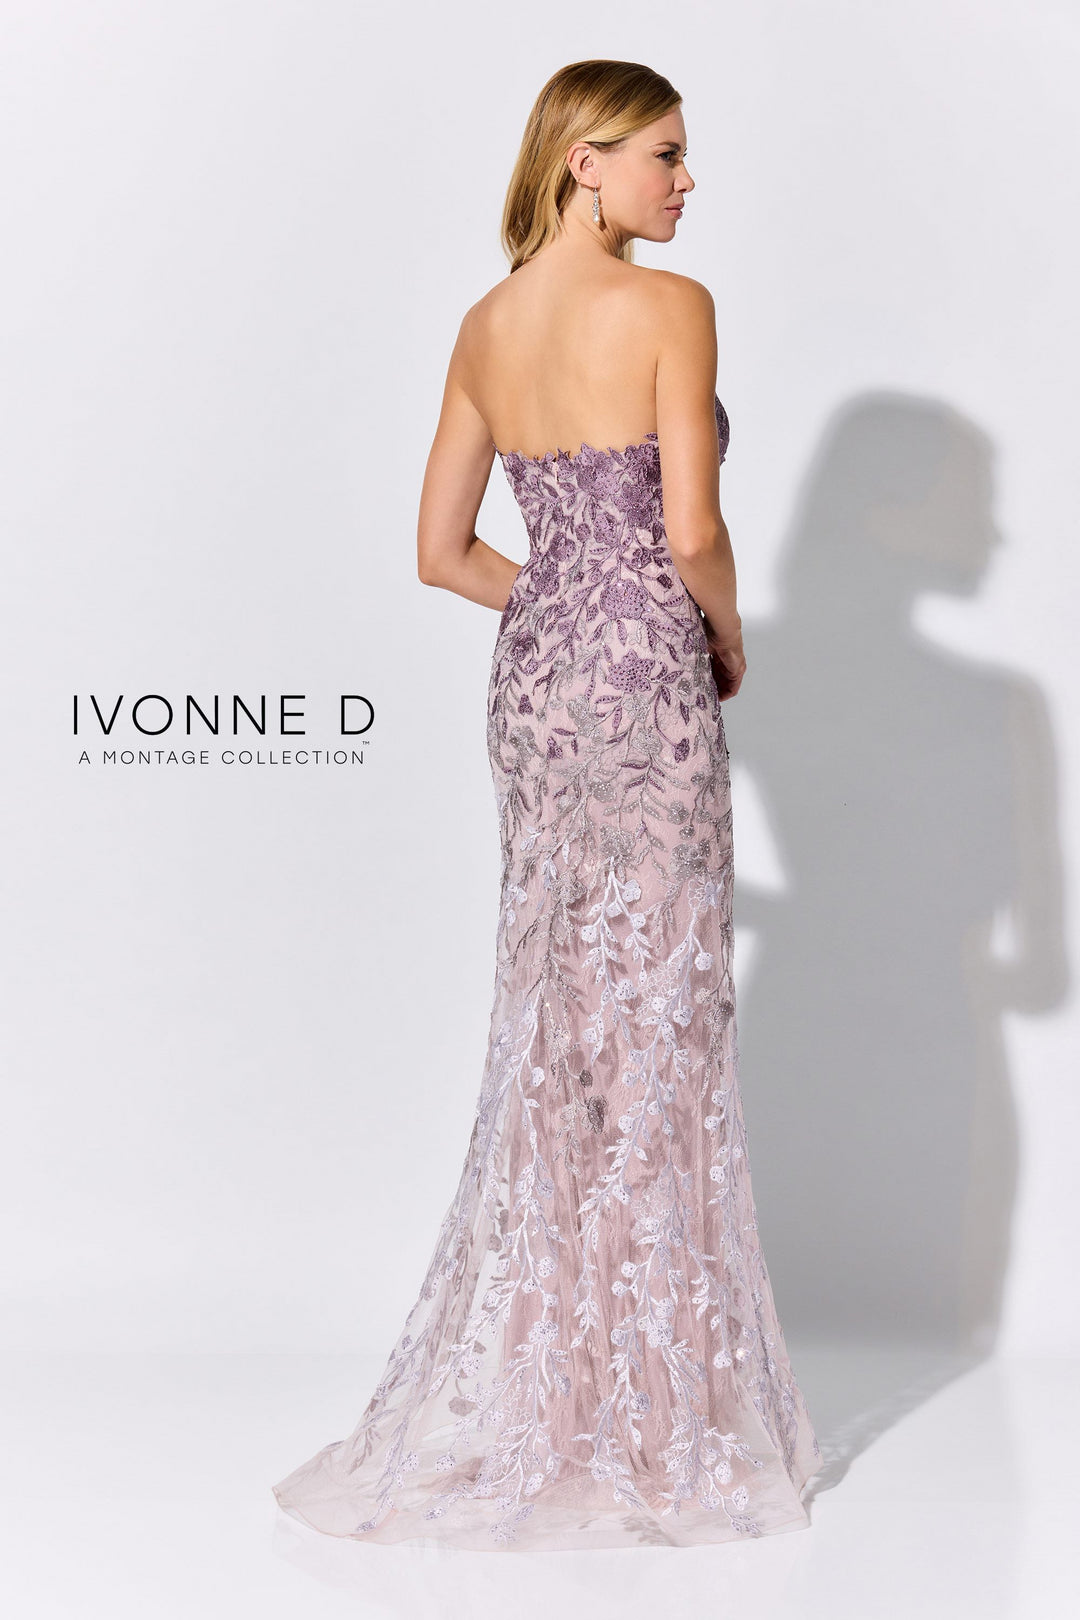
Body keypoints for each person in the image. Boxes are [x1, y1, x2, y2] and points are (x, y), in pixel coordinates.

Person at [273, 57, 822, 1552]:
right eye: (665, 153)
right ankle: (650, 1408)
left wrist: (569, 601)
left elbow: (443, 552)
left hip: (537, 684)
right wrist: (720, 637)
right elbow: (694, 530)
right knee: (664, 1011)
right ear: (584, 161)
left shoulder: (486, 324)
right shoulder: (672, 307)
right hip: (647, 677)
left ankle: (569, 1392)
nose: (686, 181)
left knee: (563, 1011)